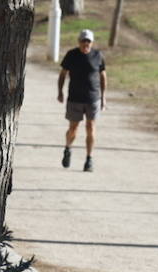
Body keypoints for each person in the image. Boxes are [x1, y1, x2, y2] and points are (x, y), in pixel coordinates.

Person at [58, 28, 106, 173]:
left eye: (88, 41)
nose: (86, 44)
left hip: (93, 98)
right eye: (83, 41)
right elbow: (62, 74)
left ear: (92, 43)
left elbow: (103, 76)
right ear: (79, 42)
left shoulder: (98, 56)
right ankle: (68, 148)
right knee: (73, 128)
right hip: (75, 98)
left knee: (90, 127)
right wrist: (60, 92)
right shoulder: (71, 55)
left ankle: (89, 159)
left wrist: (103, 97)